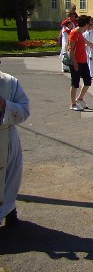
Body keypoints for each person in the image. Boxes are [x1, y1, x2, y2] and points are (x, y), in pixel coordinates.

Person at [0, 69, 30, 227]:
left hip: (6, 136)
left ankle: (10, 210)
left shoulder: (9, 82)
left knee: (9, 178)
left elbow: (25, 110)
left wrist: (5, 104)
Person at [69, 15, 93, 111]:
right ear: (85, 24)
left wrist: (89, 43)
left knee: (88, 81)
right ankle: (73, 104)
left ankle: (80, 98)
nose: (90, 26)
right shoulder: (74, 33)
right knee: (75, 84)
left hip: (83, 61)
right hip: (76, 62)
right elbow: (71, 50)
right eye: (89, 24)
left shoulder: (80, 33)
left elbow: (83, 40)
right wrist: (74, 63)